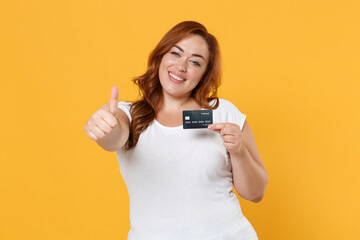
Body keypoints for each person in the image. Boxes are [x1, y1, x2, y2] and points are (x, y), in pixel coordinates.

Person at [84, 21, 268, 240]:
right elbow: (113, 139)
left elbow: (256, 193)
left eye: (195, 62)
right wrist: (105, 124)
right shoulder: (130, 114)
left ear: (204, 74)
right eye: (176, 53)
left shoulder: (223, 111)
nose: (181, 67)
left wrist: (238, 151)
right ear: (160, 56)